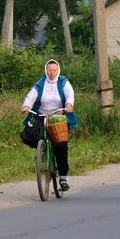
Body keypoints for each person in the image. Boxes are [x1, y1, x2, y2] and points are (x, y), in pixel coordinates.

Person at [21, 58, 78, 191]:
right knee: (32, 134)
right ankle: (43, 153)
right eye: (49, 70)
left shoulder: (63, 82)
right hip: (41, 116)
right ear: (46, 71)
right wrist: (26, 105)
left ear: (58, 71)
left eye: (54, 70)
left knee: (61, 146)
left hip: (58, 116)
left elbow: (70, 94)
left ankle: (63, 177)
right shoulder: (40, 83)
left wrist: (69, 104)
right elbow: (31, 96)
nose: (51, 72)